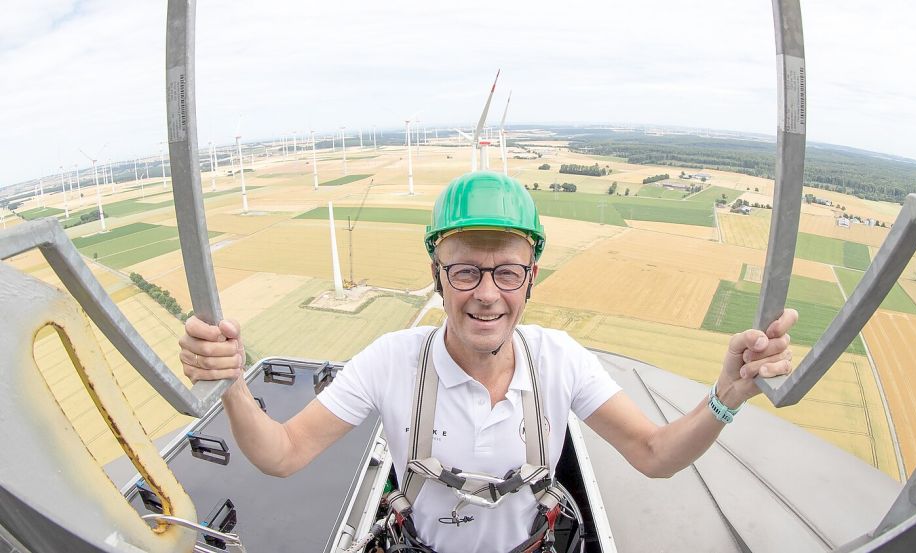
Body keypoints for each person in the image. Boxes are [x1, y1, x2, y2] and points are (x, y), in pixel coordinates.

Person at [179, 171, 797, 553]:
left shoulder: (559, 361)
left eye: (507, 271)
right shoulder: (391, 361)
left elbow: (655, 455)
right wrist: (231, 384)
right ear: (437, 276)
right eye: (466, 270)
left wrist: (726, 396)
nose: (486, 293)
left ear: (532, 279)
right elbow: (282, 455)